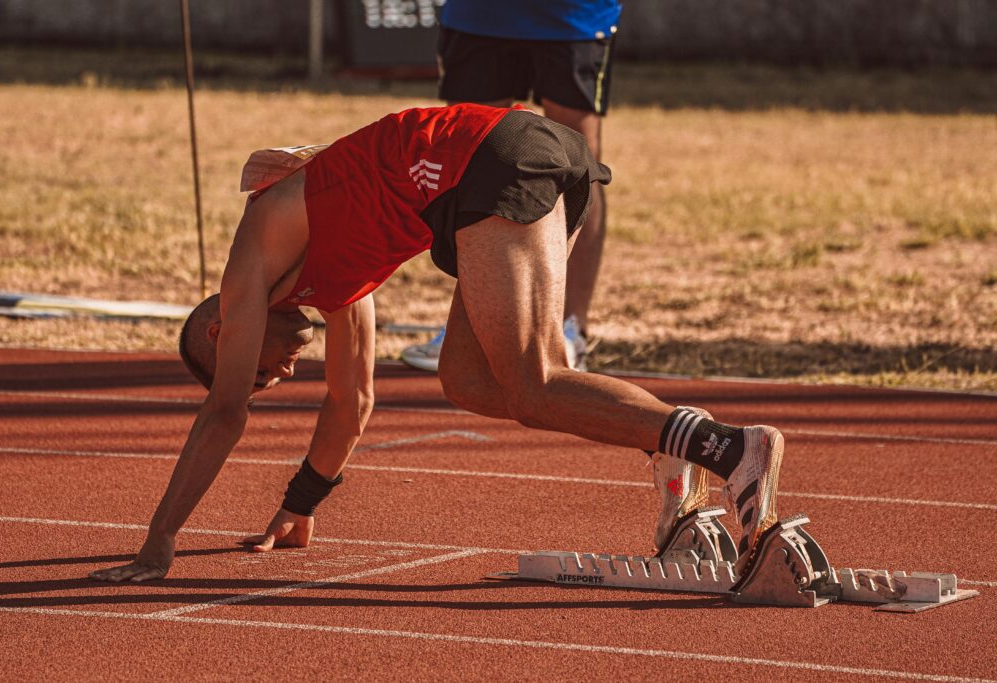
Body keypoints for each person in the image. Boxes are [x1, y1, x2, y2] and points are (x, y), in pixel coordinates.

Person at [88, 103, 785, 585]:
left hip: (491, 164)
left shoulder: (250, 264)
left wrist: (160, 540)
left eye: (260, 369)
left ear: (219, 331)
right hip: (511, 168)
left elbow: (224, 410)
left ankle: (733, 450)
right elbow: (352, 398)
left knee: (532, 377)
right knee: (469, 378)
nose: (277, 371)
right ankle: (672, 453)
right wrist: (300, 503)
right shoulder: (333, 281)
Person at [400, 0, 621, 373]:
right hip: (480, 14)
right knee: (466, 154)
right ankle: (468, 329)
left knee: (579, 160)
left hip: (572, 15)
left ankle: (571, 328)